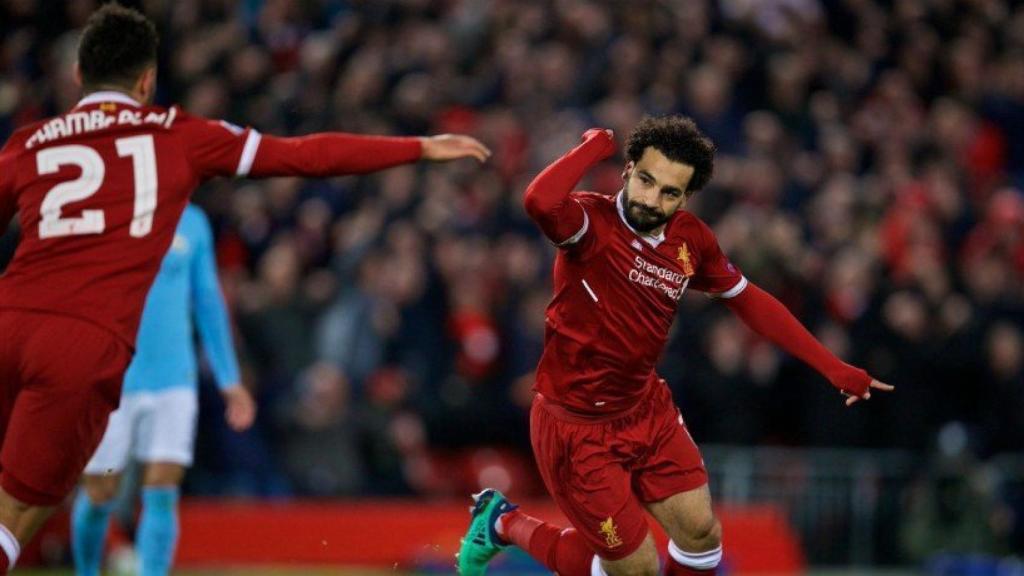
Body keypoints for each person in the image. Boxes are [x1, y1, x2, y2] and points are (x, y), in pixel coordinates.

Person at [0, 4, 489, 573]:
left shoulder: (30, 140)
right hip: (81, 348)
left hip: (9, 321)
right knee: (22, 513)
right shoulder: (180, 134)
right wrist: (417, 147)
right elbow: (304, 156)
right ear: (147, 81)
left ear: (78, 76)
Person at [457, 119, 892, 576]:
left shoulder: (691, 240)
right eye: (646, 180)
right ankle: (503, 522)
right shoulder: (589, 223)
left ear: (685, 198)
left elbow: (749, 301)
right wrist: (593, 147)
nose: (651, 199)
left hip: (646, 410)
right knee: (637, 570)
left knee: (702, 536)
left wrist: (832, 366)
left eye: (670, 192)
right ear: (627, 171)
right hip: (577, 427)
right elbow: (538, 200)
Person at [71, 203, 253, 576]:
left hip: (175, 378)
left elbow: (207, 299)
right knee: (100, 492)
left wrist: (229, 379)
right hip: (114, 376)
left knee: (162, 490)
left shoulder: (193, 221)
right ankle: (86, 571)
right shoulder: (111, 206)